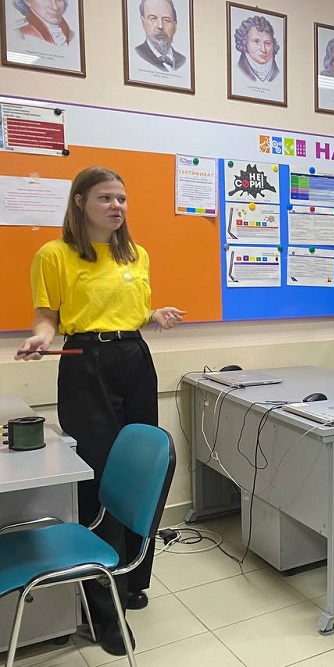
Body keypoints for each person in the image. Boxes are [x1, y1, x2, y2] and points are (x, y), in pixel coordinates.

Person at [15, 166, 186, 657]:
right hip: (83, 361)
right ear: (80, 203)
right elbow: (47, 316)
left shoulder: (136, 254)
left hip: (134, 358)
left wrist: (152, 315)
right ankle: (102, 607)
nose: (117, 207)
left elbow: (129, 312)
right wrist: (40, 338)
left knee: (141, 471)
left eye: (122, 199)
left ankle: (131, 579)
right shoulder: (54, 254)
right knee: (96, 476)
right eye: (106, 198)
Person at [133, 0, 186, 72]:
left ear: (175, 26)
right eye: (153, 18)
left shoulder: (182, 61)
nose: (160, 26)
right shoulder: (136, 55)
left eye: (166, 20)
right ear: (143, 22)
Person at [234, 14, 280, 83]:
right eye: (256, 42)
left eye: (267, 43)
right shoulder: (236, 70)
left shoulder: (278, 74)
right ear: (244, 42)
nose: (263, 49)